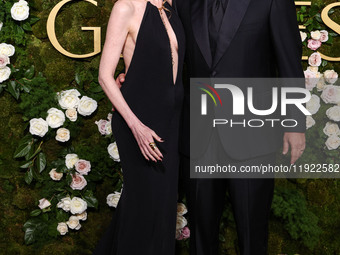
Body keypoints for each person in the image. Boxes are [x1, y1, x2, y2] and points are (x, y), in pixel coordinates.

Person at [116, 0, 306, 254]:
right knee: (201, 239)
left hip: (253, 136)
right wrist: (135, 76)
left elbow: (289, 63)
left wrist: (295, 124)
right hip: (198, 137)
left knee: (253, 235)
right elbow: (166, 47)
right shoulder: (182, 3)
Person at [92, 0, 185, 254]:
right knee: (144, 205)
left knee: (162, 209)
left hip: (171, 122)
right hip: (139, 121)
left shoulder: (172, 6)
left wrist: (128, 73)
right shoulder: (126, 7)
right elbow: (104, 75)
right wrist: (137, 127)